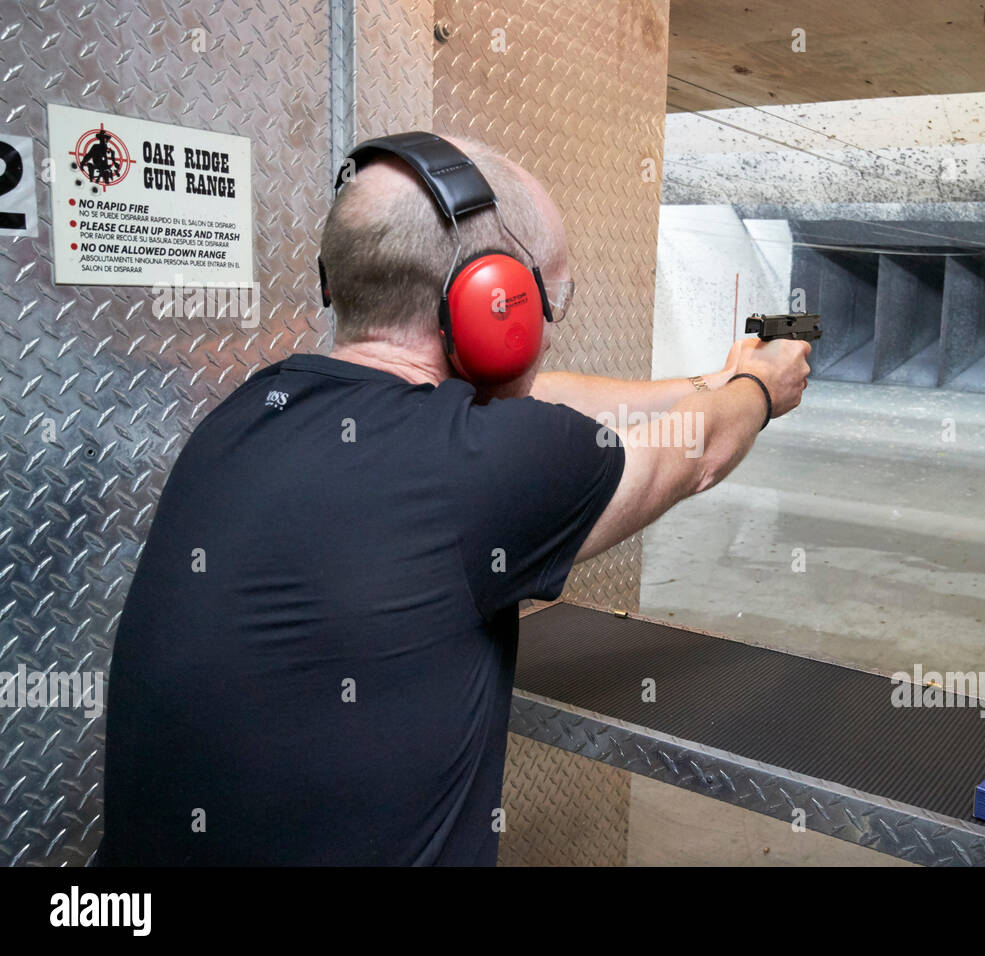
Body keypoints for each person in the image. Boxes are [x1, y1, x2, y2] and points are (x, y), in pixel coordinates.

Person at [96, 133, 810, 865]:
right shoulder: (487, 463)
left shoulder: (247, 412)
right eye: (546, 302)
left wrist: (711, 381)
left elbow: (531, 408)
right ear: (489, 303)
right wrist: (761, 388)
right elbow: (696, 453)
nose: (545, 332)